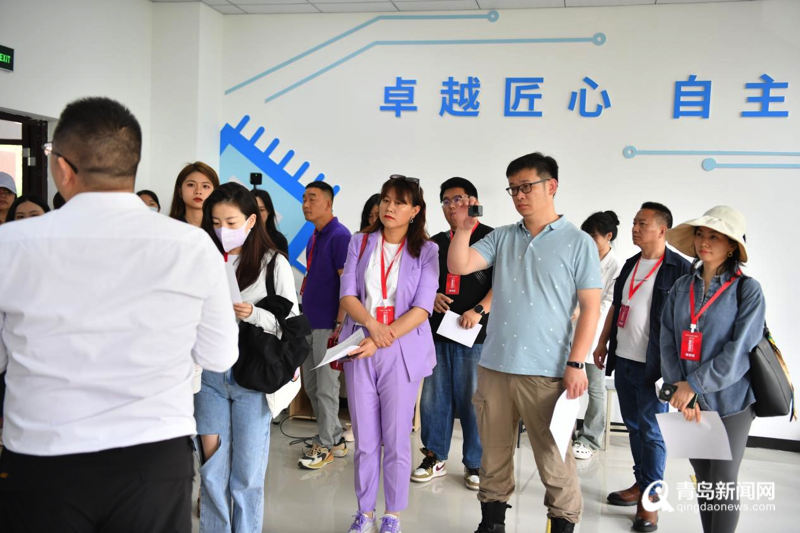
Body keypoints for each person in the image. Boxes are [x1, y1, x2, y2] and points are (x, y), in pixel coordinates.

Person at [0, 96, 239, 532]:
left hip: (43, 456)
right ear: (132, 165)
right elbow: (220, 356)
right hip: (154, 456)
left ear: (62, 168)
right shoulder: (192, 247)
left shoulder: (11, 245)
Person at [448, 153, 602, 533]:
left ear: (551, 186)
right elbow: (459, 265)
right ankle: (492, 523)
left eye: (526, 187)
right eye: (513, 189)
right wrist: (464, 228)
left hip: (547, 371)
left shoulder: (578, 242)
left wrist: (576, 363)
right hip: (495, 366)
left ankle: (562, 524)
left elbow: (590, 308)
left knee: (554, 459)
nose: (519, 195)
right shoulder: (503, 236)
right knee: (493, 454)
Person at [196, 182, 300, 532]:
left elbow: (290, 325)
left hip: (252, 378)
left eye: (231, 222)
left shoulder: (274, 263)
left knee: (247, 476)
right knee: (212, 471)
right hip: (209, 376)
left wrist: (252, 314)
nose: (222, 230)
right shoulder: (205, 259)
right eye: (215, 222)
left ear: (251, 221)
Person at [340, 175, 439, 533]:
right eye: (385, 199)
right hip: (361, 345)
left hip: (402, 350)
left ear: (415, 211)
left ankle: (392, 514)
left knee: (396, 438)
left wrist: (383, 335)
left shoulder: (427, 251)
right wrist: (371, 326)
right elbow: (348, 294)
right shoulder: (360, 241)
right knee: (365, 440)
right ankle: (364, 512)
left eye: (399, 202)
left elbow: (422, 308)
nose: (389, 207)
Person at [661, 206, 765, 533]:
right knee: (704, 479)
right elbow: (667, 338)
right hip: (688, 400)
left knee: (722, 480)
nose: (704, 241)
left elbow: (740, 350)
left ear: (732, 245)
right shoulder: (681, 287)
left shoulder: (747, 290)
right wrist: (679, 389)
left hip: (731, 401)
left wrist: (693, 385)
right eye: (700, 234)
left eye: (715, 236)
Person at [594, 202, 690, 532]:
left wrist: (683, 372)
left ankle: (651, 499)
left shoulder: (680, 269)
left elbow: (688, 321)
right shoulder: (631, 264)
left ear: (662, 230)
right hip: (624, 359)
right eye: (634, 223)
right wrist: (603, 341)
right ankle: (641, 483)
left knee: (652, 432)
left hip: (656, 367)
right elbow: (617, 306)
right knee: (634, 427)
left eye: (642, 224)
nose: (634, 229)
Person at [412, 177, 493, 491]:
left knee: (474, 400)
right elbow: (420, 282)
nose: (451, 206)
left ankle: (475, 463)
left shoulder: (490, 238)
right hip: (437, 332)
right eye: (445, 201)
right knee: (434, 399)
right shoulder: (433, 243)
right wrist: (430, 296)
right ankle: (434, 456)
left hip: (476, 335)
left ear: (473, 202)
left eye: (458, 199)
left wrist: (479, 311)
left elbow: (503, 284)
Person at [298, 181, 352, 469]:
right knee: (311, 386)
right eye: (304, 199)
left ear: (328, 203)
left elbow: (347, 284)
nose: (306, 204)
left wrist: (339, 325)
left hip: (329, 326)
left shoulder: (340, 236)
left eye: (312, 199)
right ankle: (333, 437)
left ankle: (327, 445)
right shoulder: (314, 237)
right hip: (309, 324)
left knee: (327, 388)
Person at [571, 211, 624, 460]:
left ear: (608, 236)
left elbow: (608, 305)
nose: (588, 241)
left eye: (593, 236)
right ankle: (565, 433)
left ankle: (590, 439)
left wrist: (583, 311)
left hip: (594, 337)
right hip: (570, 332)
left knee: (595, 389)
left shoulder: (617, 267)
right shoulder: (582, 259)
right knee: (564, 386)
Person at [168, 161, 219, 227]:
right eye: (191, 185)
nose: (198, 191)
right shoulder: (169, 227)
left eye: (205, 186)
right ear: (180, 191)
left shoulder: (220, 229)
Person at [252, 188, 289, 255]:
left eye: (261, 210)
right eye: (253, 210)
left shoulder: (279, 240)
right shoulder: (239, 237)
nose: (257, 214)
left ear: (269, 211)